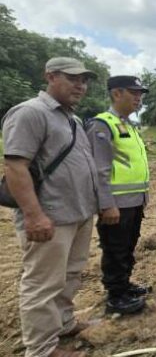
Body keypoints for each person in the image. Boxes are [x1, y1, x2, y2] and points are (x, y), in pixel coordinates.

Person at [2, 57, 99, 357]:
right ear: (50, 77)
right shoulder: (31, 113)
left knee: (70, 275)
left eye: (84, 80)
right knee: (43, 284)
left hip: (79, 213)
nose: (80, 86)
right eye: (72, 79)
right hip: (50, 217)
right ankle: (42, 349)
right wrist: (34, 215)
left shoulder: (72, 118)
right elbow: (16, 166)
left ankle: (65, 323)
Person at [86, 76, 151, 315]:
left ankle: (125, 285)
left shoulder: (128, 125)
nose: (138, 98)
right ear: (116, 93)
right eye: (134, 93)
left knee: (128, 246)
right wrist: (106, 205)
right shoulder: (102, 125)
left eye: (140, 94)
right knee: (115, 249)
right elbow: (99, 170)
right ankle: (116, 295)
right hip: (116, 204)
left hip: (134, 201)